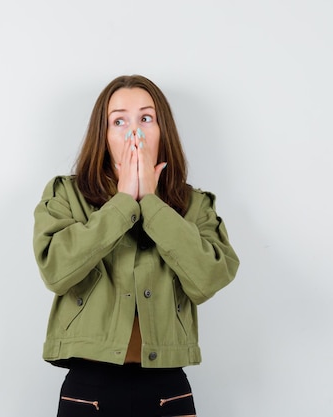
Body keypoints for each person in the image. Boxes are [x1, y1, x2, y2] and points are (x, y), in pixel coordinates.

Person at [32, 74, 240, 417]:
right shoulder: (65, 195)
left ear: (163, 131)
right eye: (119, 121)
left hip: (166, 387)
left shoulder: (195, 204)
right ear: (104, 135)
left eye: (146, 118)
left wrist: (151, 202)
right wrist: (124, 199)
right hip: (89, 386)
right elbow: (55, 271)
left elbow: (209, 278)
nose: (134, 133)